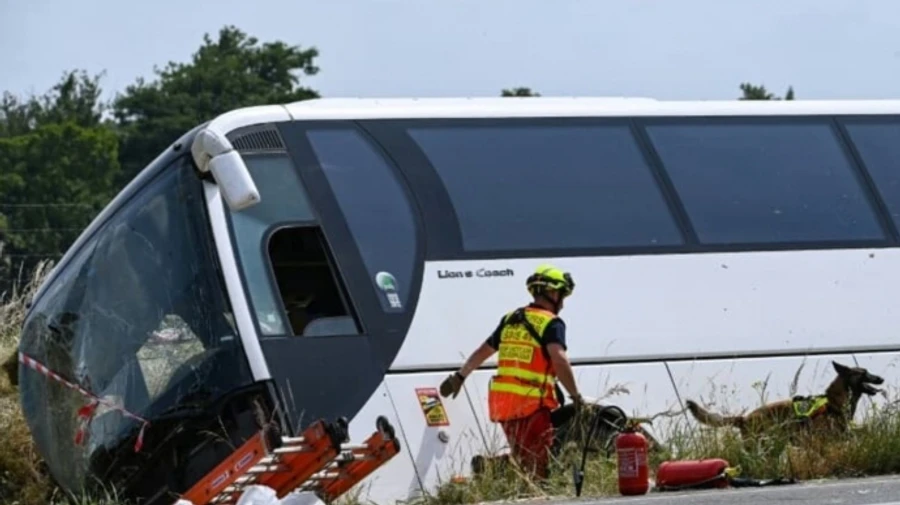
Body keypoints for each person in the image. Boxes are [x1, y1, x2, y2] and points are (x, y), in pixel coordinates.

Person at [439, 264, 583, 480]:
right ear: (552, 292)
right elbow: (559, 360)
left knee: (524, 454)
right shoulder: (551, 323)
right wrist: (575, 396)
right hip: (532, 403)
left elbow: (483, 350)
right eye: (562, 296)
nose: (562, 303)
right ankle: (512, 480)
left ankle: (490, 467)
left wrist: (460, 376)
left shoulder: (510, 319)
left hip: (505, 404)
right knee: (538, 465)